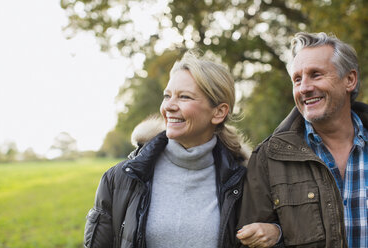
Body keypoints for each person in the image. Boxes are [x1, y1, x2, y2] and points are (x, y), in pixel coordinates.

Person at [84, 52, 280, 248]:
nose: (169, 106)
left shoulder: (245, 182)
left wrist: (276, 234)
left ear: (219, 112)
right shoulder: (120, 179)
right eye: (167, 96)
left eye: (184, 97)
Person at [237, 31, 368, 247]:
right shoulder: (268, 158)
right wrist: (278, 235)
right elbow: (247, 241)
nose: (304, 88)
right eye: (297, 79)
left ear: (350, 80)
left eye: (316, 75)